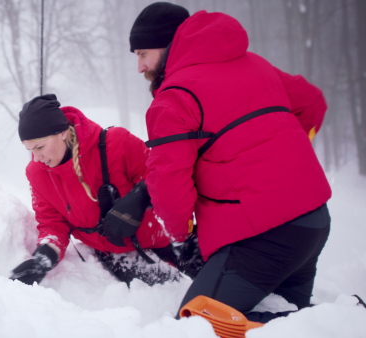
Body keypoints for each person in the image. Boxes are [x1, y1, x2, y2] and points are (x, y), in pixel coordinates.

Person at [116, 2, 332, 323]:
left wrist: (182, 234)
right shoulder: (254, 65)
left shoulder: (175, 96)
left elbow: (169, 181)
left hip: (264, 238)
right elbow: (312, 101)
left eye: (143, 53)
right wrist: (281, 159)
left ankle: (346, 317)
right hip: (312, 222)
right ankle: (329, 322)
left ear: (168, 46)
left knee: (198, 325)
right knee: (292, 322)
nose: (139, 66)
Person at [9, 94, 203, 287]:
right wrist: (45, 257)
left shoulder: (116, 144)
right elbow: (52, 223)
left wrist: (139, 199)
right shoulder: (37, 174)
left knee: (216, 295)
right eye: (30, 150)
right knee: (174, 301)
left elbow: (162, 176)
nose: (37, 157)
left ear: (62, 132)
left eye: (40, 147)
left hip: (172, 240)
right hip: (118, 257)